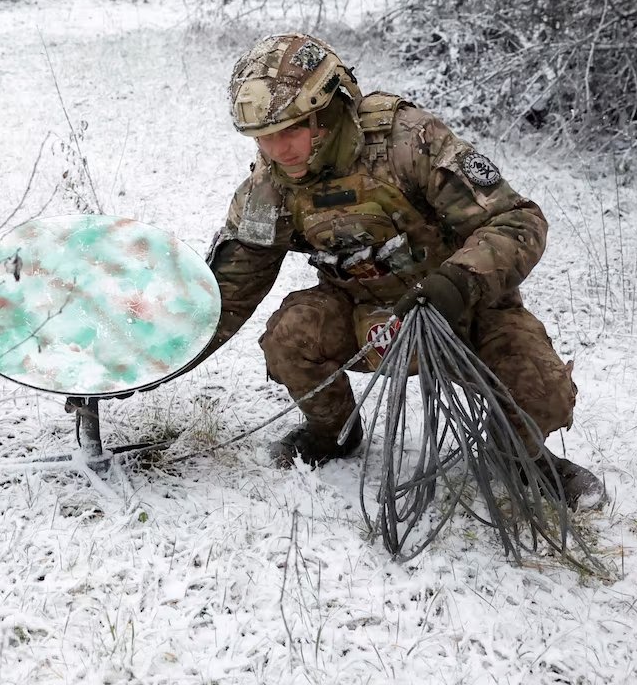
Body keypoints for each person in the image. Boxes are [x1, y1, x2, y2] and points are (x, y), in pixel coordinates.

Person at [202, 32, 606, 509]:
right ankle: (332, 434)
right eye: (263, 139)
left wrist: (456, 284)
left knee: (542, 389)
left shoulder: (407, 142)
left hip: (461, 308)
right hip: (364, 316)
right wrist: (149, 361)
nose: (277, 150)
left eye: (289, 131)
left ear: (326, 111)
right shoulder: (270, 187)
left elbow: (517, 220)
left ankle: (521, 457)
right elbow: (230, 289)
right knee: (291, 335)